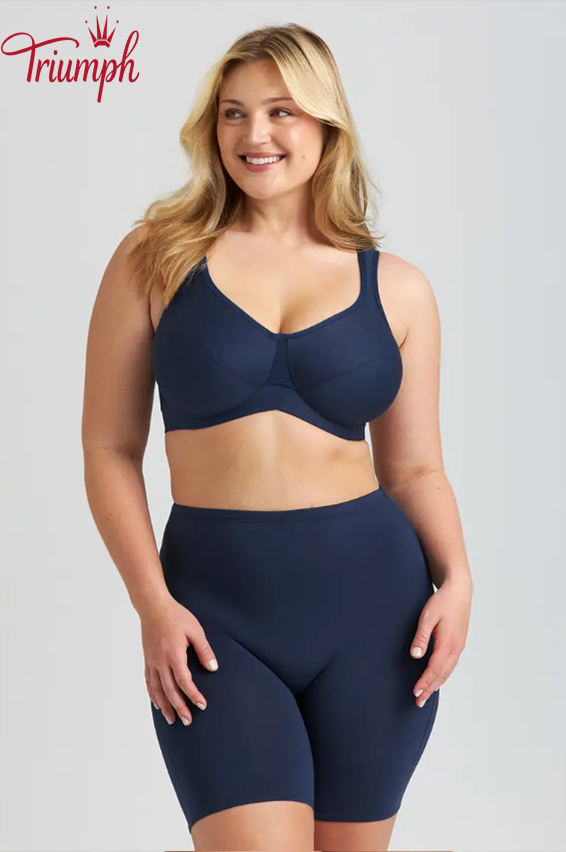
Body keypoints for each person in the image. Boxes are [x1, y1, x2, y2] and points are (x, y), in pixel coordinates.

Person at [82, 22, 473, 852]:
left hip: (377, 618)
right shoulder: (155, 260)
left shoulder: (398, 289)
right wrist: (152, 604)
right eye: (234, 113)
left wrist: (459, 580)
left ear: (327, 124)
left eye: (281, 111)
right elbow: (108, 448)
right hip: (212, 621)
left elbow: (414, 470)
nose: (254, 134)